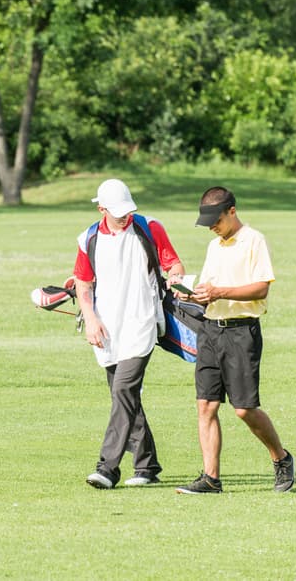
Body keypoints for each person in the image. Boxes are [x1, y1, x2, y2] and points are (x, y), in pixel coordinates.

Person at [174, 186, 294, 494]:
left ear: (232, 211)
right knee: (206, 405)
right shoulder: (215, 246)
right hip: (211, 330)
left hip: (242, 332)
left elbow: (260, 288)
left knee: (244, 409)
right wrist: (194, 295)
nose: (212, 227)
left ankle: (280, 457)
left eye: (216, 220)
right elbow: (210, 288)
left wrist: (218, 292)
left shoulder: (253, 240)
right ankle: (211, 479)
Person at [72, 178, 185, 489]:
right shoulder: (89, 238)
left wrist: (176, 277)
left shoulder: (149, 228)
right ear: (101, 209)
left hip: (142, 321)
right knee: (125, 395)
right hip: (106, 327)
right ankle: (147, 465)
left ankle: (107, 468)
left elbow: (173, 263)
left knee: (123, 390)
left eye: (127, 210)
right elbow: (83, 283)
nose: (124, 216)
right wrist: (91, 319)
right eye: (117, 212)